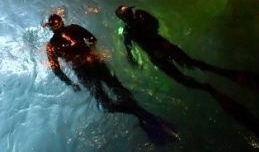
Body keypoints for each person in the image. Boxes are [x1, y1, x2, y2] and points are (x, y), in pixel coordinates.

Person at [115, 6, 259, 141]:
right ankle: (211, 82)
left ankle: (209, 85)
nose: (130, 14)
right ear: (126, 16)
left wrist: (135, 54)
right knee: (187, 71)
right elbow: (131, 45)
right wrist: (133, 55)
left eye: (129, 12)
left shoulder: (135, 23)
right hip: (160, 51)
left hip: (162, 49)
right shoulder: (131, 27)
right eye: (128, 13)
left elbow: (148, 31)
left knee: (188, 70)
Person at [44, 14, 178, 144]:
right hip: (95, 63)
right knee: (118, 90)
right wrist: (92, 51)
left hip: (84, 71)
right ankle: (142, 114)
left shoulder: (51, 45)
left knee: (106, 105)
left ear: (50, 27)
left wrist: (70, 83)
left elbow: (56, 69)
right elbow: (92, 39)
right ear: (62, 21)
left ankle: (140, 115)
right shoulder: (74, 28)